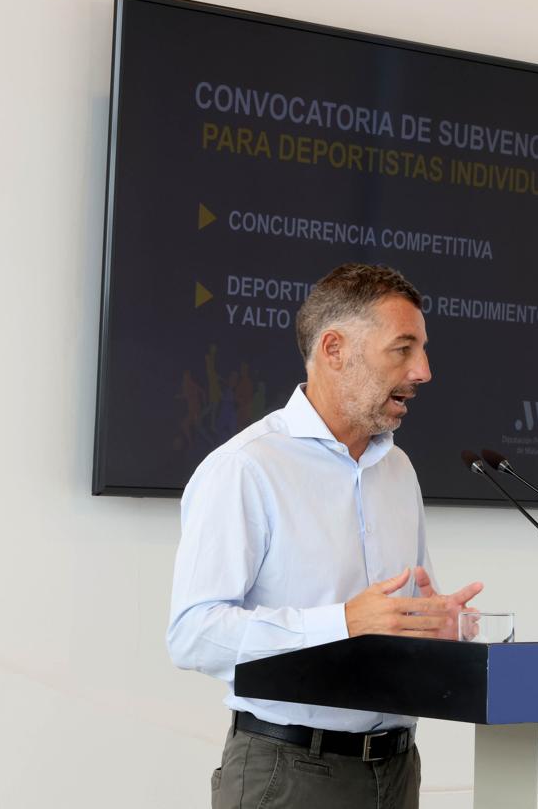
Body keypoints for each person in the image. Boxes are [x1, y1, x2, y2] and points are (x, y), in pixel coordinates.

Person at [167, 263, 482, 809]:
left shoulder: (398, 469)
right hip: (290, 773)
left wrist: (434, 626)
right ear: (334, 349)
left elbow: (396, 615)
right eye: (403, 348)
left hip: (397, 768)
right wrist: (343, 622)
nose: (424, 370)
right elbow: (193, 633)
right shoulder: (247, 468)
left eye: (423, 349)